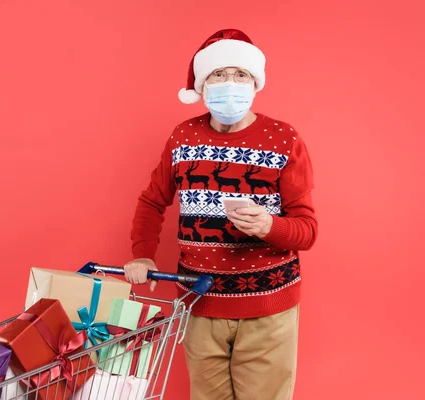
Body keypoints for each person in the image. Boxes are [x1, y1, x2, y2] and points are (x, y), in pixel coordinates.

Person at [123, 29, 318, 400]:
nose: (230, 83)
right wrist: (143, 253)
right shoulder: (183, 137)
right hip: (199, 302)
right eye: (218, 74)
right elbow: (151, 201)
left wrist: (269, 226)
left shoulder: (284, 139)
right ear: (202, 84)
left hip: (267, 309)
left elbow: (308, 230)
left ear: (256, 82)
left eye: (240, 74)